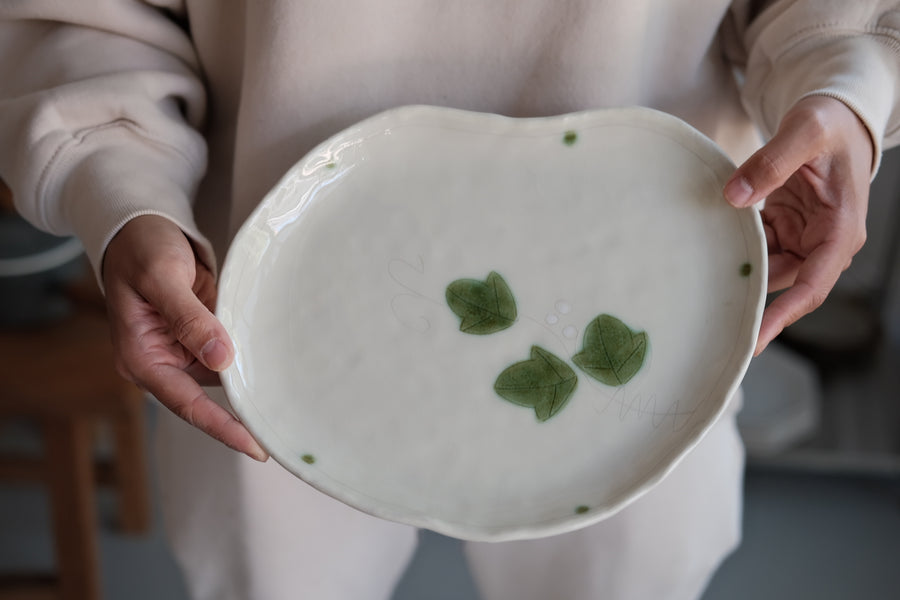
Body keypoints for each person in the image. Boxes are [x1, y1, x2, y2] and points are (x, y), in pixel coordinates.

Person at [0, 1, 894, 598]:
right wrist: (119, 190)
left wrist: (842, 95)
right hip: (261, 314)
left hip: (655, 294)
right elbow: (90, 20)